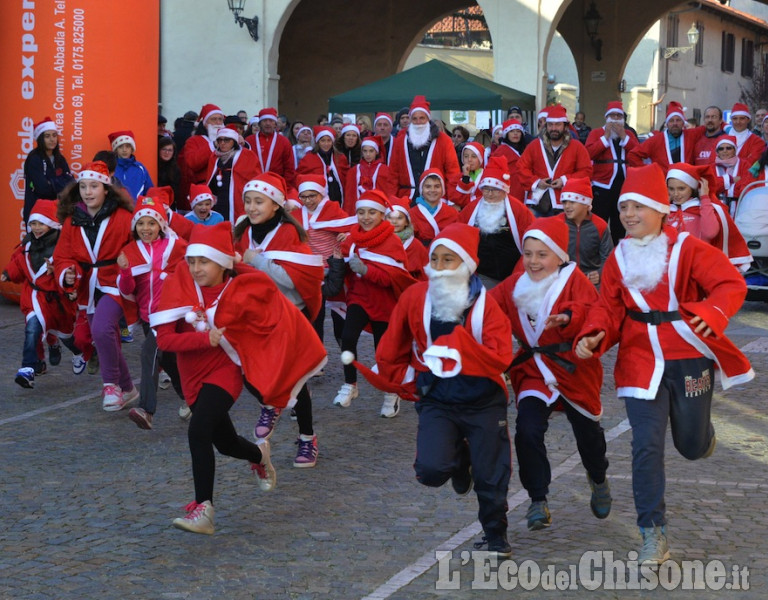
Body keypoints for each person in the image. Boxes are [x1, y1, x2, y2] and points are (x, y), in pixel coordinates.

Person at [574, 163, 754, 565]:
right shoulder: (618, 258)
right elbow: (608, 308)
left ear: (662, 210)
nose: (630, 216)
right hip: (639, 362)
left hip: (688, 356)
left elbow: (730, 282)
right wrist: (594, 335)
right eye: (624, 209)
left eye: (639, 207)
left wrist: (714, 311)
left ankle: (700, 437)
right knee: (646, 446)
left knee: (690, 446)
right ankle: (652, 532)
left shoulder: (688, 248)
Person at [348, 223, 514, 556]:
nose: (438, 268)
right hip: (437, 398)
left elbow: (501, 357)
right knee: (430, 471)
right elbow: (390, 349)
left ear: (466, 264)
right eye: (434, 259)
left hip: (483, 399)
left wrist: (460, 346)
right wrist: (411, 379)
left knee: (491, 475)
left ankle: (496, 536)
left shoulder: (486, 306)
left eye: (448, 260)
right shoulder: (414, 297)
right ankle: (459, 459)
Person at [151, 223, 277, 535]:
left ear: (222, 262)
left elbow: (268, 301)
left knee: (198, 430)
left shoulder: (240, 285)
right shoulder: (178, 284)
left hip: (227, 368)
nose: (196, 268)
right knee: (227, 444)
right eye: (192, 261)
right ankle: (259, 454)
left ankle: (204, 509)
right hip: (191, 372)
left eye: (204, 261)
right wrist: (204, 339)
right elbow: (165, 341)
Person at [490, 217, 610, 531]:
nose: (533, 261)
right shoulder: (513, 285)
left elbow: (590, 310)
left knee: (589, 438)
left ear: (559, 255)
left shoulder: (574, 280)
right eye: (528, 253)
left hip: (574, 368)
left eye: (541, 254)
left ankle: (598, 478)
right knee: (527, 431)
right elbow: (485, 312)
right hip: (533, 369)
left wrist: (569, 318)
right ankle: (538, 499)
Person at [234, 173, 325, 466]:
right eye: (248, 201)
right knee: (242, 367)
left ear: (275, 205)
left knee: (296, 382)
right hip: (254, 315)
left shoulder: (289, 233)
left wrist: (256, 261)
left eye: (258, 202)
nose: (251, 207)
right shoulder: (241, 231)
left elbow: (294, 282)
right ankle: (269, 402)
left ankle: (307, 439)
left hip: (289, 315)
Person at [53, 161, 138, 411]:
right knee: (105, 339)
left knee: (102, 330)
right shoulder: (71, 220)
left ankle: (110, 385)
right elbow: (62, 256)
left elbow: (138, 245)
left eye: (93, 186)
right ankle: (129, 389)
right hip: (87, 285)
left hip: (114, 282)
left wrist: (128, 261)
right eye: (83, 186)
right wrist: (67, 273)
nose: (88, 192)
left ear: (106, 189)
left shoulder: (124, 217)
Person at [331, 190, 416, 416]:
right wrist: (338, 262)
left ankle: (391, 392)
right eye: (361, 212)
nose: (365, 217)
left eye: (371, 212)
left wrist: (366, 270)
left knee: (384, 353)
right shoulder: (351, 240)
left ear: (382, 215)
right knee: (347, 337)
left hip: (386, 305)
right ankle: (350, 384)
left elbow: (394, 279)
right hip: (359, 298)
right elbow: (346, 270)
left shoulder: (392, 242)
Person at [117, 196, 187, 429]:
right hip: (147, 317)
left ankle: (147, 409)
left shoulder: (176, 247)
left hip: (168, 315)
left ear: (161, 225)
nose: (146, 228)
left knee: (149, 354)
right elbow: (127, 290)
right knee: (172, 362)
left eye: (151, 223)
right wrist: (126, 271)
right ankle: (194, 401)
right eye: (141, 224)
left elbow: (192, 270)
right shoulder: (129, 251)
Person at [3, 199, 83, 388]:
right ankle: (28, 368)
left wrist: (68, 285)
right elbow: (17, 264)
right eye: (33, 223)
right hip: (34, 298)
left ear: (52, 224)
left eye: (41, 223)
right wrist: (7, 273)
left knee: (67, 336)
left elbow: (72, 270)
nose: (37, 228)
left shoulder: (62, 249)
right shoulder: (27, 247)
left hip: (57, 303)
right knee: (32, 329)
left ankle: (80, 352)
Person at [294, 174, 356, 344]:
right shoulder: (297, 215)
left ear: (321, 194)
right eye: (304, 196)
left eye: (312, 196)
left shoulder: (333, 210)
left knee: (339, 313)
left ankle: (345, 350)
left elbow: (352, 227)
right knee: (315, 315)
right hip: (311, 271)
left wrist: (347, 235)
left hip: (334, 268)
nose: (308, 201)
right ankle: (316, 356)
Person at [458, 156, 534, 287]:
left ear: (504, 190)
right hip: (482, 275)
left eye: (495, 189)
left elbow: (531, 243)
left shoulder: (519, 211)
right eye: (486, 189)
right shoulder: (471, 210)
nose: (490, 194)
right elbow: (459, 236)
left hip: (514, 275)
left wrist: (520, 273)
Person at [666, 162, 751, 272]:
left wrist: (705, 198)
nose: (675, 194)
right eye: (671, 189)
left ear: (693, 188)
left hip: (698, 267)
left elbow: (710, 232)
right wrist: (663, 206)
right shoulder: (666, 210)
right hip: (671, 268)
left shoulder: (703, 207)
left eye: (681, 188)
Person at [518, 105, 593, 216]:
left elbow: (586, 171)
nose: (554, 128)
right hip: (538, 205)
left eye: (558, 124)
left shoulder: (577, 147)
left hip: (566, 205)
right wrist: (537, 182)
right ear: (546, 126)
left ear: (565, 126)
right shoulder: (534, 145)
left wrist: (565, 180)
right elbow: (521, 167)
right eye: (550, 125)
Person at [585, 101, 639, 245]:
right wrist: (605, 137)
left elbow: (638, 153)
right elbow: (589, 153)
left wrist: (624, 138)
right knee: (599, 224)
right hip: (602, 186)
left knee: (619, 225)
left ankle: (617, 253)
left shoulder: (628, 134)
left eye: (618, 116)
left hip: (623, 187)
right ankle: (597, 253)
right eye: (612, 116)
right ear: (607, 118)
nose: (615, 119)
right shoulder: (596, 133)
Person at [389, 96, 461, 202]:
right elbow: (393, 174)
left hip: (436, 199)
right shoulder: (400, 141)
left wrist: (453, 201)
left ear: (428, 118)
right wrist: (391, 200)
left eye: (422, 118)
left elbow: (452, 173)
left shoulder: (444, 141)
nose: (418, 122)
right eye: (414, 118)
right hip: (406, 199)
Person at [557, 177, 613, 286]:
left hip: (591, 282)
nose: (567, 206)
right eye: (564, 202)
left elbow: (608, 259)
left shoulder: (600, 226)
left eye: (572, 202)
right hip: (561, 280)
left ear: (586, 205)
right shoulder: (556, 224)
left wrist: (599, 274)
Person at [205, 124, 261, 223]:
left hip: (238, 202)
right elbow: (210, 181)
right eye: (220, 140)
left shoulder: (246, 155)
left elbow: (255, 179)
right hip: (219, 203)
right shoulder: (214, 157)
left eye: (226, 140)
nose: (222, 143)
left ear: (234, 141)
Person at [23, 117, 75, 224]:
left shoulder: (60, 159)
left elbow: (71, 184)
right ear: (40, 139)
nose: (52, 139)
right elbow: (43, 189)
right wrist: (60, 182)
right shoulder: (34, 159)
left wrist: (51, 182)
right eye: (47, 136)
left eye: (54, 135)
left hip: (58, 212)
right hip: (37, 214)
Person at [628, 102, 704, 171]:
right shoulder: (656, 140)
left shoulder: (691, 135)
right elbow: (633, 155)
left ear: (683, 123)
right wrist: (647, 171)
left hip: (686, 183)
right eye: (671, 120)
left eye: (678, 120)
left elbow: (709, 127)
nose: (675, 123)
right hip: (663, 183)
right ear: (667, 123)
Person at [178, 104, 225, 204]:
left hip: (224, 190)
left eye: (220, 119)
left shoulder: (228, 140)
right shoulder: (194, 141)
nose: (218, 123)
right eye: (214, 119)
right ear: (205, 123)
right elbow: (193, 163)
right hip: (203, 192)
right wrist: (213, 145)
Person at [245, 107, 297, 190]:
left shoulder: (284, 142)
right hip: (254, 185)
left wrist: (285, 187)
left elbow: (289, 168)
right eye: (265, 121)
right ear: (260, 123)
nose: (268, 123)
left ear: (275, 124)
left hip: (277, 185)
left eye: (271, 121)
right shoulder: (249, 141)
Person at [297, 126, 350, 207]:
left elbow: (347, 180)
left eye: (329, 140)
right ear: (318, 142)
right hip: (317, 204)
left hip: (340, 202)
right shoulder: (308, 159)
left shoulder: (340, 158)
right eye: (323, 141)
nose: (326, 144)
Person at [343, 135, 395, 214]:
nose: (368, 154)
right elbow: (349, 196)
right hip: (358, 211)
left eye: (371, 151)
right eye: (365, 151)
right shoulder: (353, 171)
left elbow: (388, 193)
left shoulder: (384, 170)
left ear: (376, 152)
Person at [410, 169, 459, 246]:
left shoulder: (452, 213)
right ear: (421, 189)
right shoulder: (412, 214)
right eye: (428, 186)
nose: (432, 190)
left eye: (437, 186)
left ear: (442, 189)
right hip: (420, 255)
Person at [710, 135, 755, 211]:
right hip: (716, 210)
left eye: (728, 148)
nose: (725, 151)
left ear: (735, 150)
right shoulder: (711, 167)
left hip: (739, 209)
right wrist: (730, 180)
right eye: (721, 149)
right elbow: (710, 187)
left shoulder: (745, 165)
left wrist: (721, 186)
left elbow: (746, 188)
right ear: (717, 152)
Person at [388, 196, 428, 281]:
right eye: (390, 217)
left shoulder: (416, 245)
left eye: (399, 218)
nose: (394, 222)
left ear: (407, 222)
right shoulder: (379, 241)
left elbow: (425, 273)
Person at [490, 118, 529, 202]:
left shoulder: (524, 150)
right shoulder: (501, 151)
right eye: (512, 131)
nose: (515, 134)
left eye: (518, 131)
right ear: (506, 134)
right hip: (509, 193)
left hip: (522, 192)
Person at [723, 102, 766, 167]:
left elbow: (752, 163)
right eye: (735, 118)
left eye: (742, 118)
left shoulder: (757, 141)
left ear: (748, 120)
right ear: (731, 119)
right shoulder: (722, 138)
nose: (738, 122)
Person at [449, 142, 486, 208]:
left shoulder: (485, 177)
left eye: (474, 156)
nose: (469, 160)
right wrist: (465, 177)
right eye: (466, 156)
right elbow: (455, 199)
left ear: (480, 159)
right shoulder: (456, 178)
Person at [157, 136, 181, 206]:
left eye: (170, 150)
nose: (167, 152)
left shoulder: (176, 169)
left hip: (169, 204)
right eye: (164, 149)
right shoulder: (154, 166)